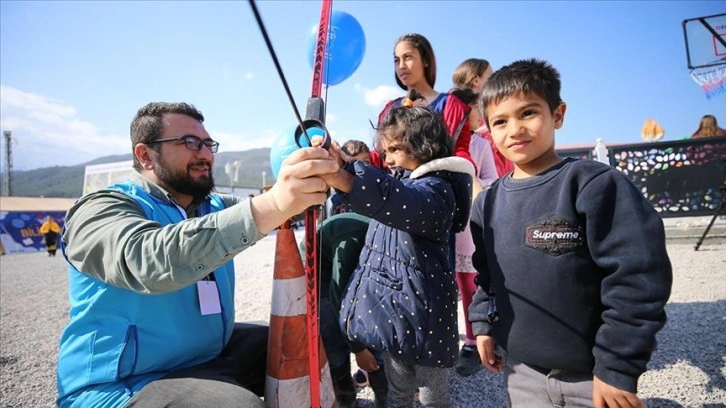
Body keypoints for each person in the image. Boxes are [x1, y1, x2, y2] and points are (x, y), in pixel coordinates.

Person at [56, 102, 338, 408]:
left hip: (204, 357)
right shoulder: (101, 208)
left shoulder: (209, 205)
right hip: (123, 385)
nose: (205, 154)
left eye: (207, 144)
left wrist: (316, 168)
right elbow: (147, 260)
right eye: (189, 143)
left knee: (305, 339)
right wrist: (274, 204)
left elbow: (275, 205)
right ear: (145, 155)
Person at [469, 58, 673, 408]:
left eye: (528, 113)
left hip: (592, 377)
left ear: (558, 115)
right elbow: (487, 277)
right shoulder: (486, 204)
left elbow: (637, 279)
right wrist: (483, 324)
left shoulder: (594, 185)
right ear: (489, 130)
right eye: (500, 121)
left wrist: (616, 367)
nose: (514, 129)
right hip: (522, 374)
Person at [319, 104, 475, 407]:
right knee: (398, 393)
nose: (387, 158)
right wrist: (345, 164)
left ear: (422, 146)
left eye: (395, 149)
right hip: (395, 315)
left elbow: (397, 199)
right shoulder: (405, 181)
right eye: (385, 150)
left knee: (432, 398)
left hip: (428, 323)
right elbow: (388, 190)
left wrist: (346, 176)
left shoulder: (437, 190)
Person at [447, 86, 499, 377]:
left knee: (470, 285)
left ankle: (471, 339)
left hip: (469, 227)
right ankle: (447, 339)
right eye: (478, 108)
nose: (482, 114)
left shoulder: (480, 145)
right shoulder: (442, 144)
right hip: (444, 228)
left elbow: (491, 179)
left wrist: (472, 177)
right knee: (445, 287)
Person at [313, 212, 388, 408]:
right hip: (322, 266)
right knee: (333, 337)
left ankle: (385, 399)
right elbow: (340, 299)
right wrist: (359, 349)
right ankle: (345, 399)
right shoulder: (352, 243)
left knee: (375, 332)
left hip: (353, 256)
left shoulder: (390, 243)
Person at [370, 33, 474, 171]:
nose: (401, 66)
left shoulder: (450, 105)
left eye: (408, 57)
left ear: (425, 60)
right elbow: (379, 156)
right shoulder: (390, 108)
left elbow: (460, 155)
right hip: (392, 188)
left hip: (436, 186)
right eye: (396, 60)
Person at [452, 58, 514, 176]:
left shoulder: (450, 120)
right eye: (491, 77)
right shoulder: (488, 124)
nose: (495, 82)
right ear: (476, 81)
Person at [326, 140, 372, 216]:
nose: (361, 168)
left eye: (366, 162)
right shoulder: (334, 201)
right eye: (354, 164)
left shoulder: (380, 193)